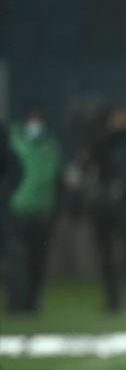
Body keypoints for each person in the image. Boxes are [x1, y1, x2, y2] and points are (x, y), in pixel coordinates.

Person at [77, 104, 126, 313]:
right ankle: (112, 302)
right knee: (106, 255)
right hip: (104, 204)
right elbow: (85, 165)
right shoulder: (100, 139)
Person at [2, 102, 62, 315]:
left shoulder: (50, 145)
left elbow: (57, 179)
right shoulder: (12, 140)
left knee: (38, 260)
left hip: (43, 210)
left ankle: (32, 303)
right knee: (16, 260)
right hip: (17, 209)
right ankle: (16, 303)